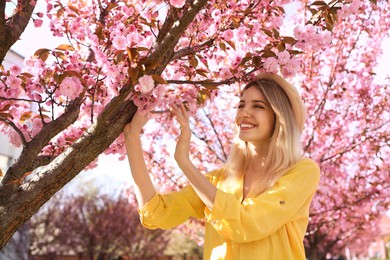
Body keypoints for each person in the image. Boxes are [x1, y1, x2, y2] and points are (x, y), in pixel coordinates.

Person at [123, 72, 320, 260]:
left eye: (258, 106)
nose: (244, 113)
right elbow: (157, 213)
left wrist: (185, 162)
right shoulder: (219, 180)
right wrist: (132, 138)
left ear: (279, 117)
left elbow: (247, 223)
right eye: (241, 105)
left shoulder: (302, 171)